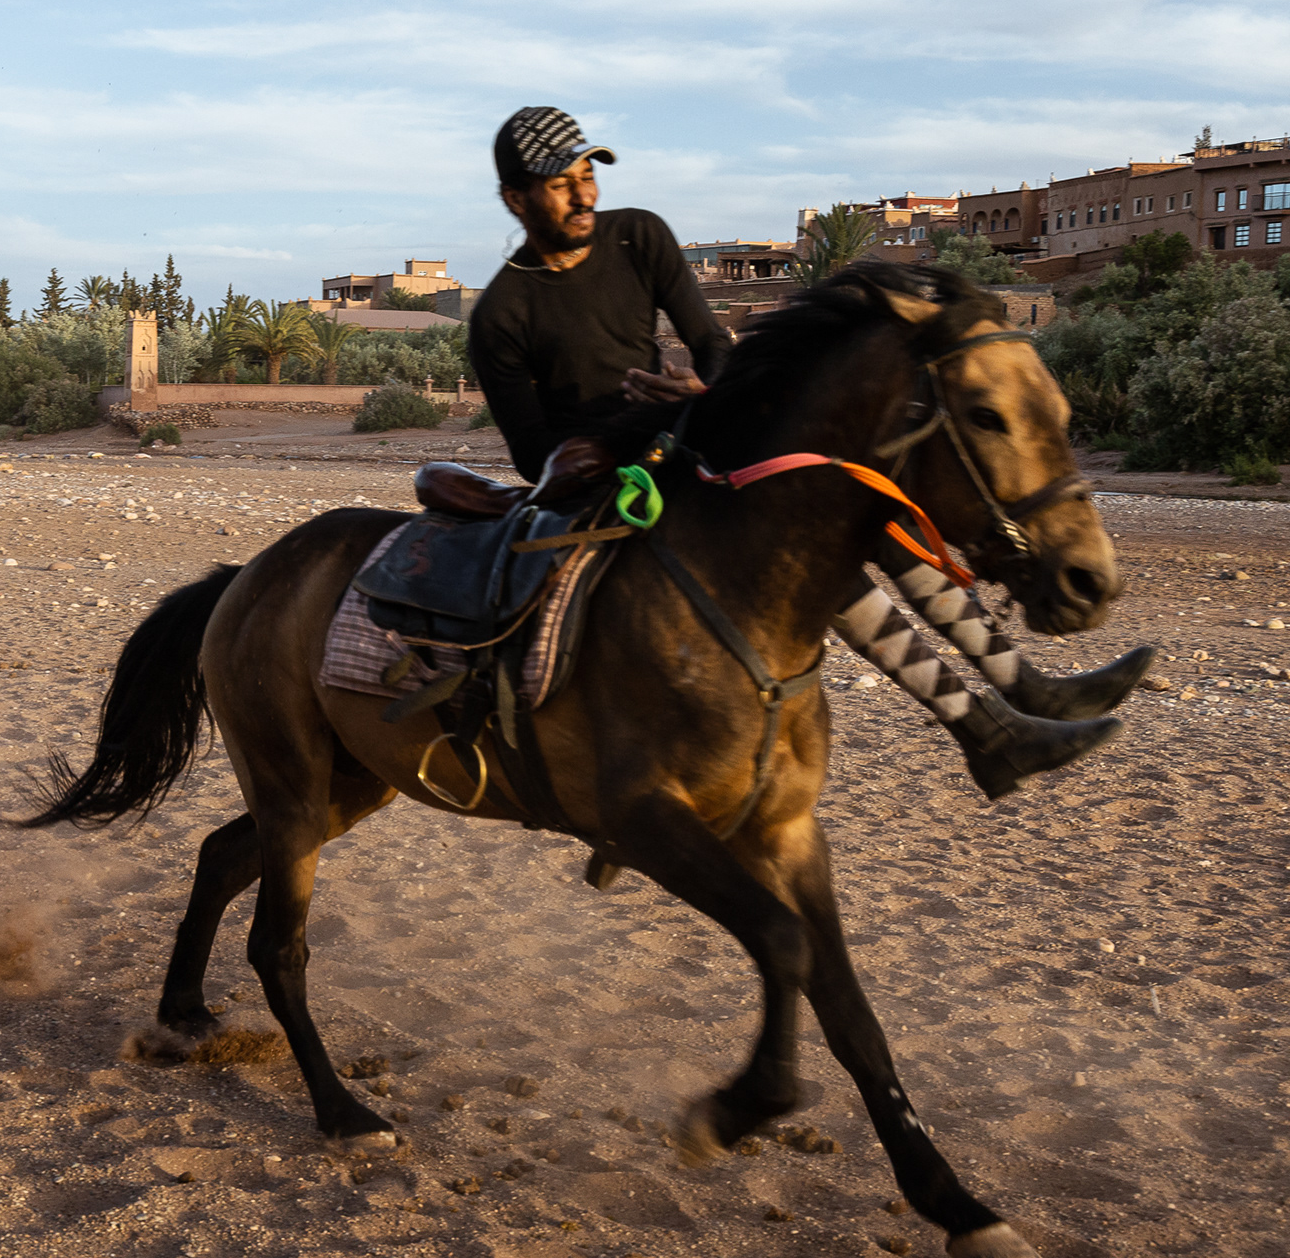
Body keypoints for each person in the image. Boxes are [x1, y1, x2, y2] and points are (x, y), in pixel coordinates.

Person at [469, 106, 1149, 798]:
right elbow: (534, 453)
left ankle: (1025, 688)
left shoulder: (637, 235)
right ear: (516, 200)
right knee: (815, 549)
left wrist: (695, 387)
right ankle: (989, 730)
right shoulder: (502, 312)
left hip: (692, 429)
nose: (585, 194)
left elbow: (708, 342)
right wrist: (614, 436)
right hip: (619, 475)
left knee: (868, 513)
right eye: (561, 184)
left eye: (587, 174)